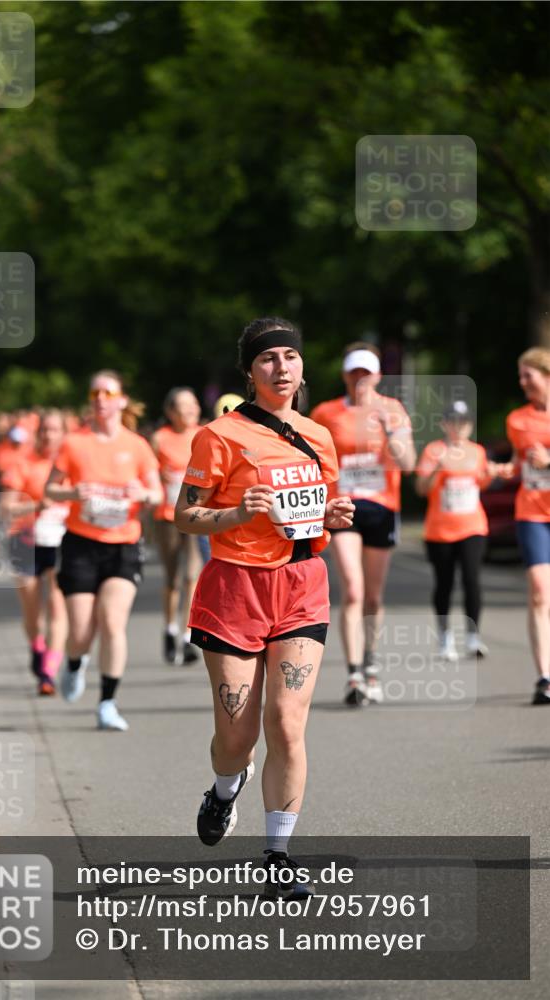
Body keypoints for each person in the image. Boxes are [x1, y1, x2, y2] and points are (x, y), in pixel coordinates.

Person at [175, 317, 354, 897]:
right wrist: (236, 514)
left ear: (302, 366)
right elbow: (185, 514)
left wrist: (330, 517)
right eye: (268, 358)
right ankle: (224, 790)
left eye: (290, 357)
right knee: (237, 736)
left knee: (287, 721)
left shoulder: (319, 435)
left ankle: (278, 854)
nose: (281, 367)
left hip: (301, 586)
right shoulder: (219, 436)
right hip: (235, 589)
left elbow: (317, 509)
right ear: (250, 371)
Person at [45, 370, 163, 730]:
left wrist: (143, 494)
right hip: (81, 544)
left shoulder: (136, 446)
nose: (100, 399)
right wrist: (71, 492)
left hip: (123, 544)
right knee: (81, 633)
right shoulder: (74, 443)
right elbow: (50, 489)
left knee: (112, 621)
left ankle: (107, 703)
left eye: (107, 393)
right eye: (94, 393)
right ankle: (75, 662)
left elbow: (156, 493)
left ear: (122, 400)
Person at [310, 343, 416, 706]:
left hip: (382, 508)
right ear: (345, 375)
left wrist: (391, 435)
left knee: (373, 595)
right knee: (353, 590)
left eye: (366, 373)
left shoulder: (393, 409)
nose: (360, 378)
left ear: (377, 376)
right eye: (354, 372)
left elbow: (408, 463)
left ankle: (371, 662)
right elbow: (313, 460)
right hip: (342, 507)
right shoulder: (326, 413)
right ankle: (354, 673)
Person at [415, 401, 493, 660]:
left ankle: (473, 637)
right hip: (440, 531)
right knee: (444, 584)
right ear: (444, 424)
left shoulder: (477, 452)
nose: (459, 427)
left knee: (472, 580)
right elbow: (421, 489)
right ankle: (445, 638)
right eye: (453, 421)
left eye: (464, 422)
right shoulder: (433, 450)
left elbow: (481, 482)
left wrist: (492, 473)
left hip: (473, 526)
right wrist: (438, 468)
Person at [0, 409, 69, 695]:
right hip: (24, 539)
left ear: (64, 433)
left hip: (60, 540)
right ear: (37, 433)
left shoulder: (71, 464)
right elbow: (5, 508)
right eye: (44, 430)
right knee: (32, 610)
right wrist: (37, 506)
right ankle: (37, 646)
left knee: (57, 603)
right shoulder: (23, 463)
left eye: (55, 430)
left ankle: (48, 672)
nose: (49, 435)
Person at [506, 348, 550, 705]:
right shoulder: (517, 419)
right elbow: (520, 461)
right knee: (538, 591)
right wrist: (502, 470)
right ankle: (545, 677)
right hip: (532, 511)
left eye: (528, 375)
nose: (522, 382)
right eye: (520, 376)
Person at [151, 388, 203, 665]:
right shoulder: (160, 439)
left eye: (193, 403)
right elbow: (148, 473)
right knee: (172, 579)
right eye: (183, 405)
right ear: (171, 412)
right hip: (167, 517)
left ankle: (187, 635)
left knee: (192, 576)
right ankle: (170, 630)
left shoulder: (204, 435)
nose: (191, 409)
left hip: (196, 515)